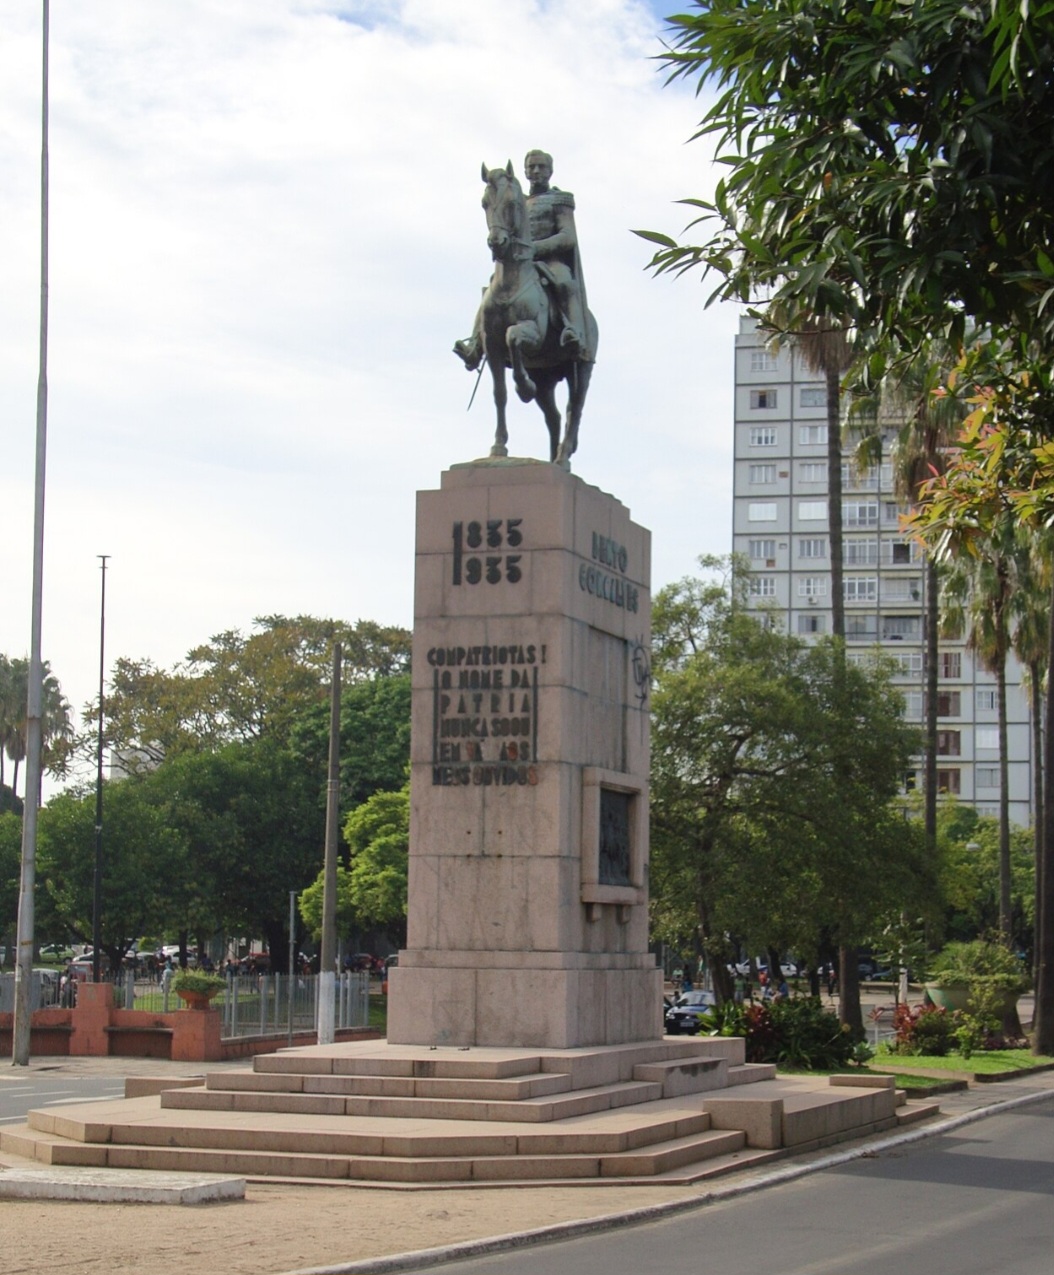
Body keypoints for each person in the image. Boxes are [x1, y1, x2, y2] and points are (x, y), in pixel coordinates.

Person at [455, 149, 590, 370]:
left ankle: (574, 335)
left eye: (541, 167)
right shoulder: (517, 199)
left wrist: (535, 248)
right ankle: (476, 345)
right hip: (519, 263)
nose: (536, 171)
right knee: (492, 288)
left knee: (565, 282)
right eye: (531, 167)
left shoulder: (559, 199)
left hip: (548, 261)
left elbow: (568, 236)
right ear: (525, 171)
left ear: (550, 171)